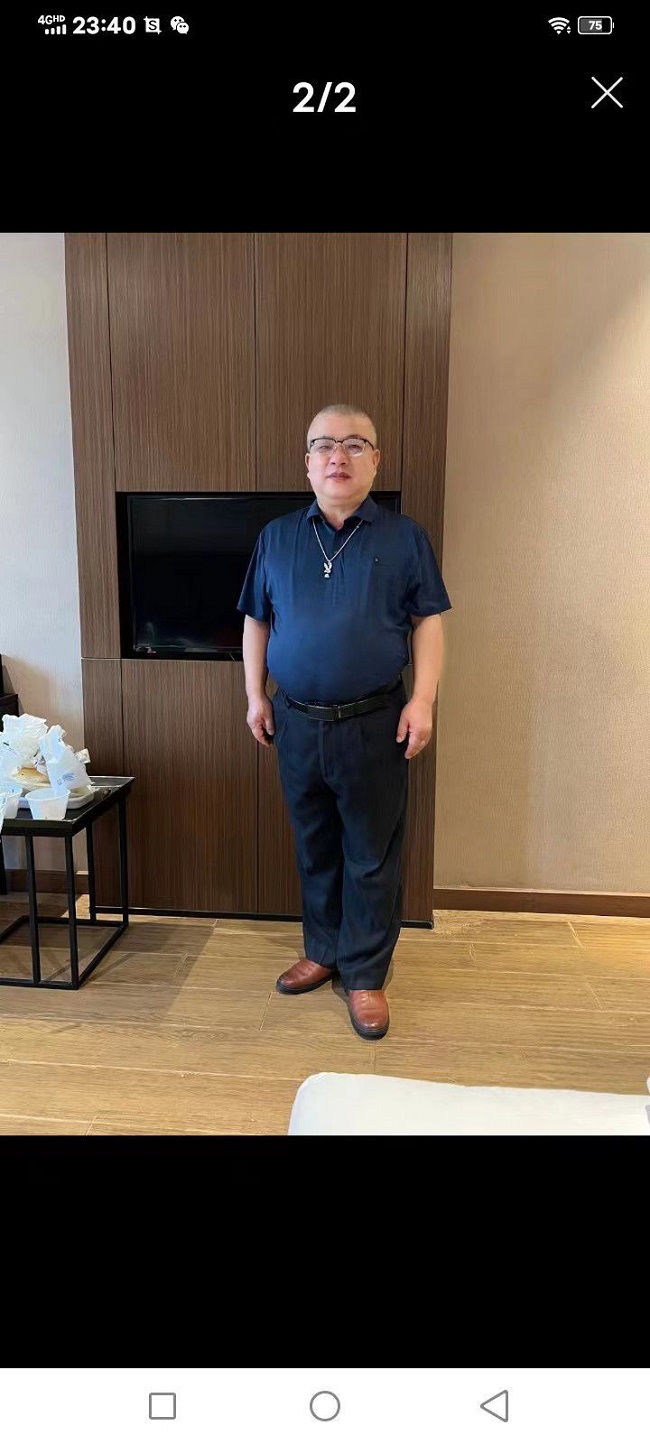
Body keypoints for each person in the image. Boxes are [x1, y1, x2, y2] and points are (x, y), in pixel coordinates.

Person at [236, 405, 451, 1040]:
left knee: (371, 853)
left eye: (355, 445)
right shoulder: (276, 537)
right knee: (315, 847)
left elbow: (428, 622)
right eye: (325, 445)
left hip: (375, 722)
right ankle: (323, 951)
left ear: (375, 462)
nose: (338, 456)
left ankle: (364, 974)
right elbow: (256, 620)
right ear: (307, 462)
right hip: (295, 723)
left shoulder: (404, 538)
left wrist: (423, 700)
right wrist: (255, 695)